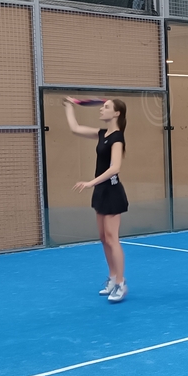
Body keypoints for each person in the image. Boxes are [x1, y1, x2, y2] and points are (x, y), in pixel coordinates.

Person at [63, 97, 130, 303]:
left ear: (116, 113)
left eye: (106, 107)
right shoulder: (102, 134)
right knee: (103, 238)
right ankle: (112, 278)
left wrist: (91, 182)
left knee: (112, 238)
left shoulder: (117, 138)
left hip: (112, 192)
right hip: (101, 191)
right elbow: (75, 128)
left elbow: (115, 167)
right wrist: (69, 107)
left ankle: (121, 284)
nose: (102, 109)